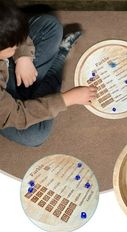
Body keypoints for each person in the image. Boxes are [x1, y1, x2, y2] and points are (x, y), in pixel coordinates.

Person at [0, 1, 97, 147]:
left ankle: (30, 93)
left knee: (50, 26)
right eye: (13, 47)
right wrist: (66, 99)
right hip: (6, 113)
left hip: (5, 73)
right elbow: (17, 116)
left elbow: (13, 32)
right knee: (35, 135)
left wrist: (22, 55)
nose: (16, 47)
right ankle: (59, 58)